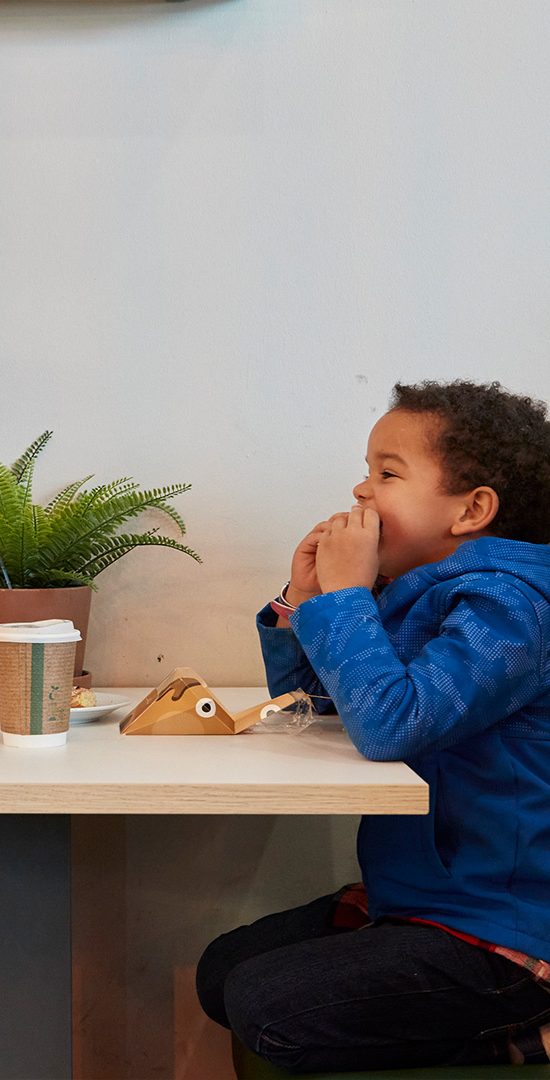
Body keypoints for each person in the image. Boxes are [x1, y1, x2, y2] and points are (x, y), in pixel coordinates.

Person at [196, 380, 550, 1072]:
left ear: (472, 510)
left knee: (265, 1004)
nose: (361, 491)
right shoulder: (421, 593)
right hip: (428, 892)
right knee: (222, 972)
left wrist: (352, 596)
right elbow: (321, 705)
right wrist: (305, 604)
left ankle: (528, 1024)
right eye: (365, 470)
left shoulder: (512, 610)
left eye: (387, 473)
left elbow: (393, 726)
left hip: (506, 924)